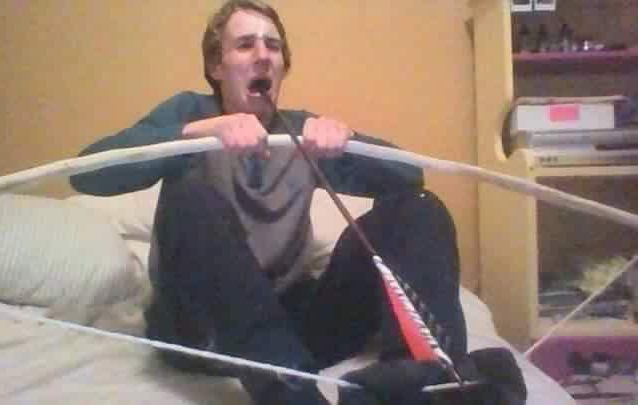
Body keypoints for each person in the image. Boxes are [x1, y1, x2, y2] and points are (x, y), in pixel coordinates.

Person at [70, 1, 526, 404]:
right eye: (245, 45)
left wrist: (345, 143)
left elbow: (409, 179)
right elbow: (88, 173)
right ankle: (292, 395)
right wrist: (195, 134)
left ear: (283, 67)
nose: (263, 54)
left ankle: (429, 381)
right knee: (190, 200)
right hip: (200, 332)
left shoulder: (299, 129)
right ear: (216, 66)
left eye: (272, 46)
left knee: (419, 207)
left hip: (297, 325)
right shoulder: (189, 115)